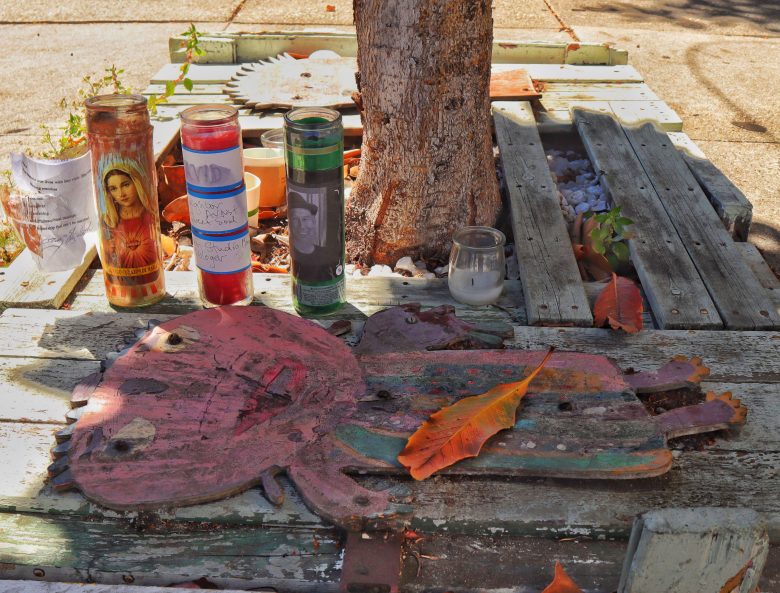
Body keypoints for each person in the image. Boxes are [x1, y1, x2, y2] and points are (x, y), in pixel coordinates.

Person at [101, 164, 161, 280]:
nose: (121, 194)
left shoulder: (151, 214)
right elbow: (109, 257)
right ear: (109, 193)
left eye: (125, 185)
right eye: (113, 189)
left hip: (153, 278)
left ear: (136, 183)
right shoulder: (108, 220)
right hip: (121, 280)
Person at [288, 190, 337, 282]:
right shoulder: (294, 256)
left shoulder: (325, 253)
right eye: (295, 219)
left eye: (305, 219)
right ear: (289, 223)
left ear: (313, 221)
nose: (302, 226)